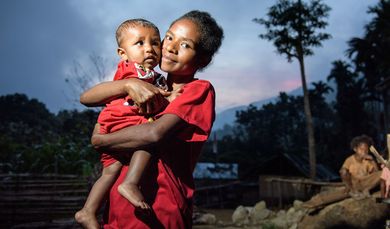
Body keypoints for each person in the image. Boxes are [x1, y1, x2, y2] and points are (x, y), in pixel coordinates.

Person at [80, 10, 224, 228]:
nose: (171, 47)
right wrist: (128, 85)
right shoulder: (147, 83)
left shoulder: (198, 91)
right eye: (169, 37)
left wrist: (101, 140)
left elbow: (153, 133)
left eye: (185, 45)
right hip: (119, 210)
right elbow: (87, 98)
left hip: (159, 210)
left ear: (203, 59)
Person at [75, 18, 174, 229]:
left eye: (155, 43)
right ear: (122, 53)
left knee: (110, 172)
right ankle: (130, 183)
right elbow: (92, 96)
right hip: (124, 120)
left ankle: (88, 211)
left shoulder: (153, 76)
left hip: (114, 125)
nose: (149, 48)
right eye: (140, 43)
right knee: (146, 140)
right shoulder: (134, 71)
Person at [339, 135, 381, 199]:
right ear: (355, 149)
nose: (364, 152)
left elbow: (376, 173)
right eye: (361, 149)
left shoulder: (368, 160)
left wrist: (372, 160)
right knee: (343, 171)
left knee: (383, 173)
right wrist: (348, 185)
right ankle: (352, 191)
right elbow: (343, 171)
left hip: (366, 183)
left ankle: (366, 190)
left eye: (366, 150)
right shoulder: (350, 160)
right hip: (354, 183)